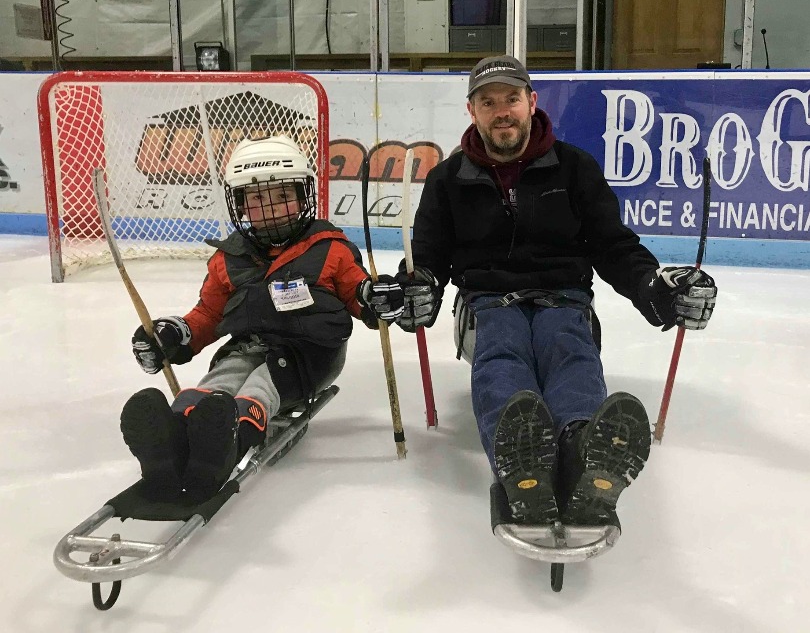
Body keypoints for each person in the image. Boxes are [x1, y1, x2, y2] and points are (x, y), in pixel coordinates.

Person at [394, 55, 717, 529]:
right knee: (504, 353)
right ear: (472, 110)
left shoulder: (573, 168)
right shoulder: (448, 179)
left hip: (563, 296)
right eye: (489, 102)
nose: (502, 111)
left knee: (568, 348)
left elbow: (613, 246)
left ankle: (581, 447)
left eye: (511, 99)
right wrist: (417, 291)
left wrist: (656, 288)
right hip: (488, 300)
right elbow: (428, 258)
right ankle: (522, 458)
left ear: (532, 102)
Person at [121, 136, 404, 503]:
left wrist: (374, 297)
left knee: (262, 384)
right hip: (248, 345)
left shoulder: (328, 248)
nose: (271, 210)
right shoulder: (228, 258)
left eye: (282, 197)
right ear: (239, 204)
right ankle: (172, 438)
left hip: (310, 354)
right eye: (257, 200)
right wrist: (177, 334)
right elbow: (208, 313)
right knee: (221, 379)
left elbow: (358, 293)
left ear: (304, 197)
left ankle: (229, 441)